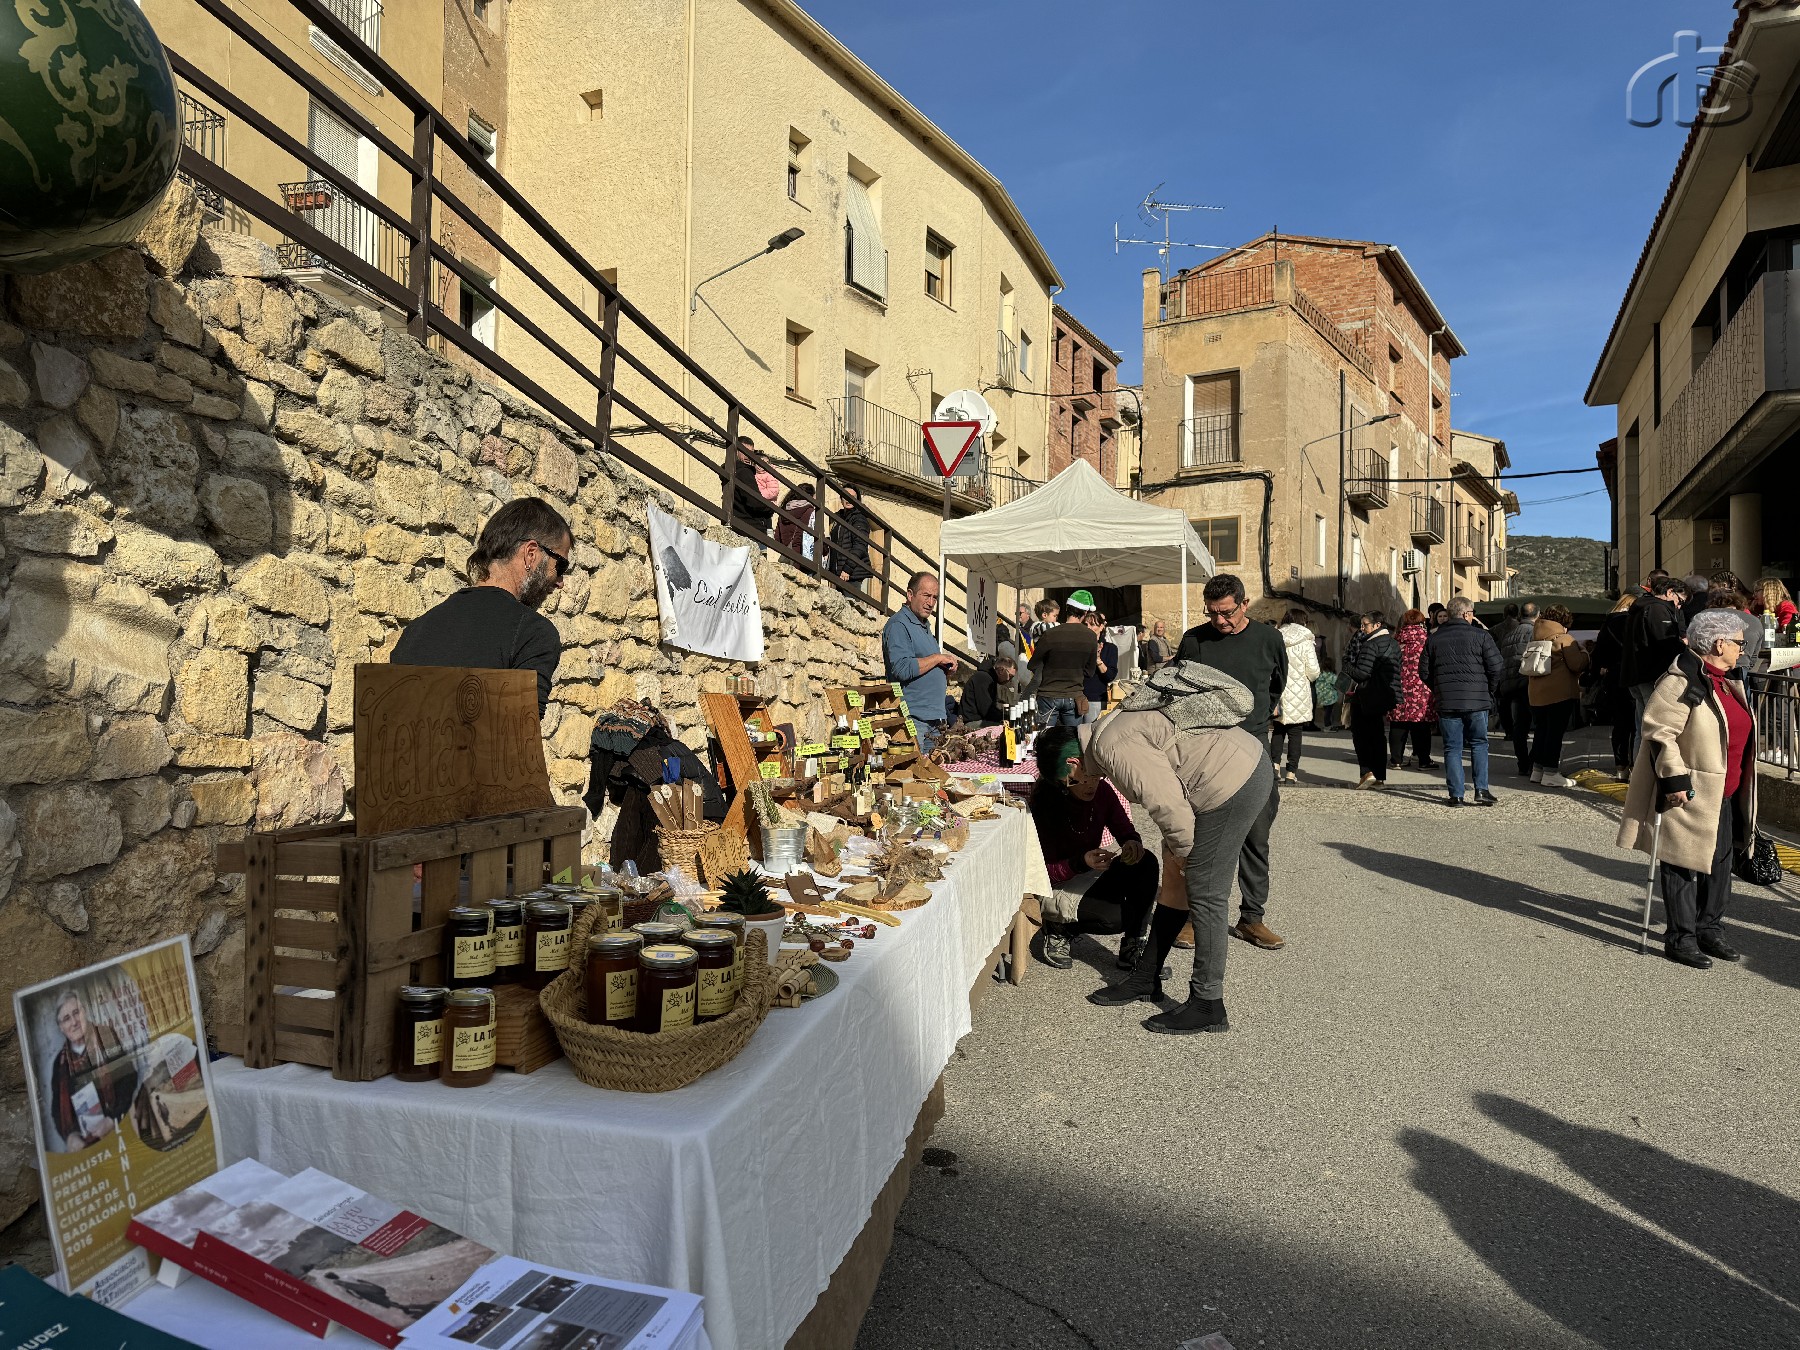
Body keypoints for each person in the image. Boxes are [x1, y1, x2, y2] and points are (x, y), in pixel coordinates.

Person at [1081, 664, 1275, 1033]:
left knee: (1205, 891)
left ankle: (1208, 1003)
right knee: (1175, 880)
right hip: (1223, 771)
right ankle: (1146, 977)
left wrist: (1187, 856)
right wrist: (1178, 857)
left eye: (1069, 780)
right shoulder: (1106, 730)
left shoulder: (1111, 745)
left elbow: (1167, 804)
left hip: (1233, 781)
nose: (1076, 786)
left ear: (1074, 761)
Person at [1617, 608, 1757, 970]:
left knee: (1720, 862)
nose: (1742, 650)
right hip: (1691, 788)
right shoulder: (1680, 680)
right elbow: (1659, 732)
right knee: (1681, 861)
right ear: (1719, 643)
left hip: (1725, 790)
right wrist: (1675, 779)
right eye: (1739, 643)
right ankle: (1681, 938)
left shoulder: (1725, 680)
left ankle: (1709, 928)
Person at [1173, 574, 1289, 950]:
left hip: (1254, 747)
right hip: (1204, 748)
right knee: (1201, 837)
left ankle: (1252, 918)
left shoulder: (1269, 639)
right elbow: (1177, 687)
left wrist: (1259, 716)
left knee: (1256, 834)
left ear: (1244, 603)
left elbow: (1278, 683)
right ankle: (1196, 917)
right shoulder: (1193, 640)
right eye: (1212, 613)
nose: (1219, 621)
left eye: (1226, 612)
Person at [392, 497, 571, 717]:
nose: (560, 582)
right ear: (530, 554)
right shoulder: (532, 633)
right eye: (561, 565)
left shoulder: (415, 631)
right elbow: (519, 734)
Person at [1028, 727, 1160, 971]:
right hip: (1058, 884)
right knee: (1115, 918)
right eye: (1083, 778)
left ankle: (1133, 946)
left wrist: (1131, 842)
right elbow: (1042, 873)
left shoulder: (1102, 791)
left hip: (1088, 873)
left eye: (1096, 776)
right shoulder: (1046, 804)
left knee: (1146, 861)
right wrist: (1080, 862)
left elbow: (1123, 828)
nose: (1091, 784)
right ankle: (1059, 927)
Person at [1420, 595, 1503, 806]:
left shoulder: (1434, 638)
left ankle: (1456, 795)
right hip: (1477, 701)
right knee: (1479, 744)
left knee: (1452, 748)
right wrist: (1488, 690)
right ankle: (1481, 790)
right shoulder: (1482, 636)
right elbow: (1496, 667)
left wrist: (1439, 689)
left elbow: (1424, 672)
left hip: (1447, 701)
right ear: (1466, 614)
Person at [48, 988, 135, 1152]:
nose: (74, 1022)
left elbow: (129, 1077)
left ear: (84, 1012)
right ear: (61, 1027)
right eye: (66, 1019)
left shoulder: (105, 1036)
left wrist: (112, 1119)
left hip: (117, 1127)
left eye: (76, 1012)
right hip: (86, 1145)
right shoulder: (60, 1063)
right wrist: (71, 1136)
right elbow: (57, 1109)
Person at [882, 572, 958, 754]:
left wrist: (943, 670)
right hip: (914, 718)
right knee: (913, 770)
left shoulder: (923, 625)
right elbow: (902, 668)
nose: (931, 603)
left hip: (934, 719)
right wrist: (938, 658)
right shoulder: (899, 625)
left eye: (935, 597)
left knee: (933, 771)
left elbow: (924, 665)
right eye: (926, 595)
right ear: (910, 595)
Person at [1622, 575, 1689, 760]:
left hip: (1636, 675)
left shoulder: (1640, 607)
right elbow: (1665, 642)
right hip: (1651, 675)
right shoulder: (1658, 609)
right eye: (1680, 600)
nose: (1679, 606)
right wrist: (1683, 644)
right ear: (1670, 592)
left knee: (1642, 729)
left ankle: (1639, 770)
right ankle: (1649, 772)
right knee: (1654, 729)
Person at [1525, 603, 1590, 787]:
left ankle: (1537, 770)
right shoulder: (1564, 639)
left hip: (1536, 694)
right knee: (1554, 734)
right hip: (1559, 694)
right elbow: (1577, 664)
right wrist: (1585, 653)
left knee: (1541, 732)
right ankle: (1551, 773)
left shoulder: (1536, 636)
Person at [1345, 612, 1402, 789]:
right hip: (1384, 695)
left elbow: (1362, 673)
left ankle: (1366, 772)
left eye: (1365, 625)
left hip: (1366, 695)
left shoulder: (1370, 644)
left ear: (1377, 625)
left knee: (1361, 735)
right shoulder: (1394, 644)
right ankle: (1379, 777)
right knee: (1378, 736)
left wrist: (1347, 666)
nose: (1362, 628)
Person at [1028, 592, 1099, 727]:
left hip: (1048, 694)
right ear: (1085, 612)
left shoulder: (1050, 633)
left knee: (1044, 737)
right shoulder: (1091, 636)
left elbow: (1032, 665)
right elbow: (1090, 672)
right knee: (1072, 737)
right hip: (1074, 695)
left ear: (1067, 609)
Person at [1591, 592, 1638, 780]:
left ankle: (1621, 766)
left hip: (1614, 678)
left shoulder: (1609, 622)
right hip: (1635, 676)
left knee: (1620, 724)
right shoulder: (1636, 621)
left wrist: (1595, 674)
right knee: (1636, 724)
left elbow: (1598, 653)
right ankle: (1635, 766)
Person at [1270, 609, 1320, 783]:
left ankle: (1274, 766)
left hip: (1278, 690)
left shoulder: (1276, 637)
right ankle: (1291, 773)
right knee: (1295, 733)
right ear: (1303, 621)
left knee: (1278, 730)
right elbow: (1313, 671)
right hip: (1299, 692)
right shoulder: (1306, 640)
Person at [1387, 609, 1438, 771]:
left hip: (1397, 687)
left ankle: (1396, 760)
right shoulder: (1427, 641)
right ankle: (1423, 761)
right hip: (1421, 689)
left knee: (1397, 724)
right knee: (1421, 725)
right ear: (1422, 622)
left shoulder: (1395, 641)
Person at [1496, 600, 1538, 775]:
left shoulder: (1509, 635)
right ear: (1537, 615)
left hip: (1512, 685)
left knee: (1519, 727)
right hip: (1529, 682)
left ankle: (1522, 763)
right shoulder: (1535, 633)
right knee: (1540, 725)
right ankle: (1533, 762)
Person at [825, 483, 874, 592]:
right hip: (839, 573)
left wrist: (847, 569)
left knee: (850, 601)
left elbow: (860, 546)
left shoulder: (859, 518)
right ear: (841, 499)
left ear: (857, 500)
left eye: (852, 497)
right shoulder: (838, 518)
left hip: (851, 574)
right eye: (845, 496)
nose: (848, 500)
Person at [728, 435, 777, 534]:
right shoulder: (744, 472)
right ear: (736, 451)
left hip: (740, 523)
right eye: (744, 451)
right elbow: (754, 502)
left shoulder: (734, 470)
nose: (748, 456)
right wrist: (770, 509)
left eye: (751, 452)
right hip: (751, 526)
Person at [959, 652, 1018, 728]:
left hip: (979, 720)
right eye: (1010, 676)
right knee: (1008, 729)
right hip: (972, 722)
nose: (1009, 679)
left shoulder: (989, 679)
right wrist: (1006, 717)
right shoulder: (983, 678)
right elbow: (986, 710)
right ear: (1001, 670)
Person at [1490, 603, 1522, 735]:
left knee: (1504, 703)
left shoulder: (1495, 629)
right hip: (1519, 669)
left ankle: (1508, 731)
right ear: (1517, 614)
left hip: (1501, 669)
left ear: (1504, 614)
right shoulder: (1522, 628)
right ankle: (1520, 731)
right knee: (1520, 702)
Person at [1082, 611, 1118, 724]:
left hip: (1095, 699)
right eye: (1086, 624)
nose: (1088, 627)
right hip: (1074, 697)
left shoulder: (1109, 648)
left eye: (1092, 624)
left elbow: (1110, 676)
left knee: (1090, 732)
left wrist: (1098, 660)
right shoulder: (1078, 646)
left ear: (1101, 627)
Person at [774, 483, 816, 560]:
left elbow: (777, 537)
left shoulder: (784, 511)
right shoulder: (810, 512)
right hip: (803, 557)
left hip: (787, 554)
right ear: (810, 496)